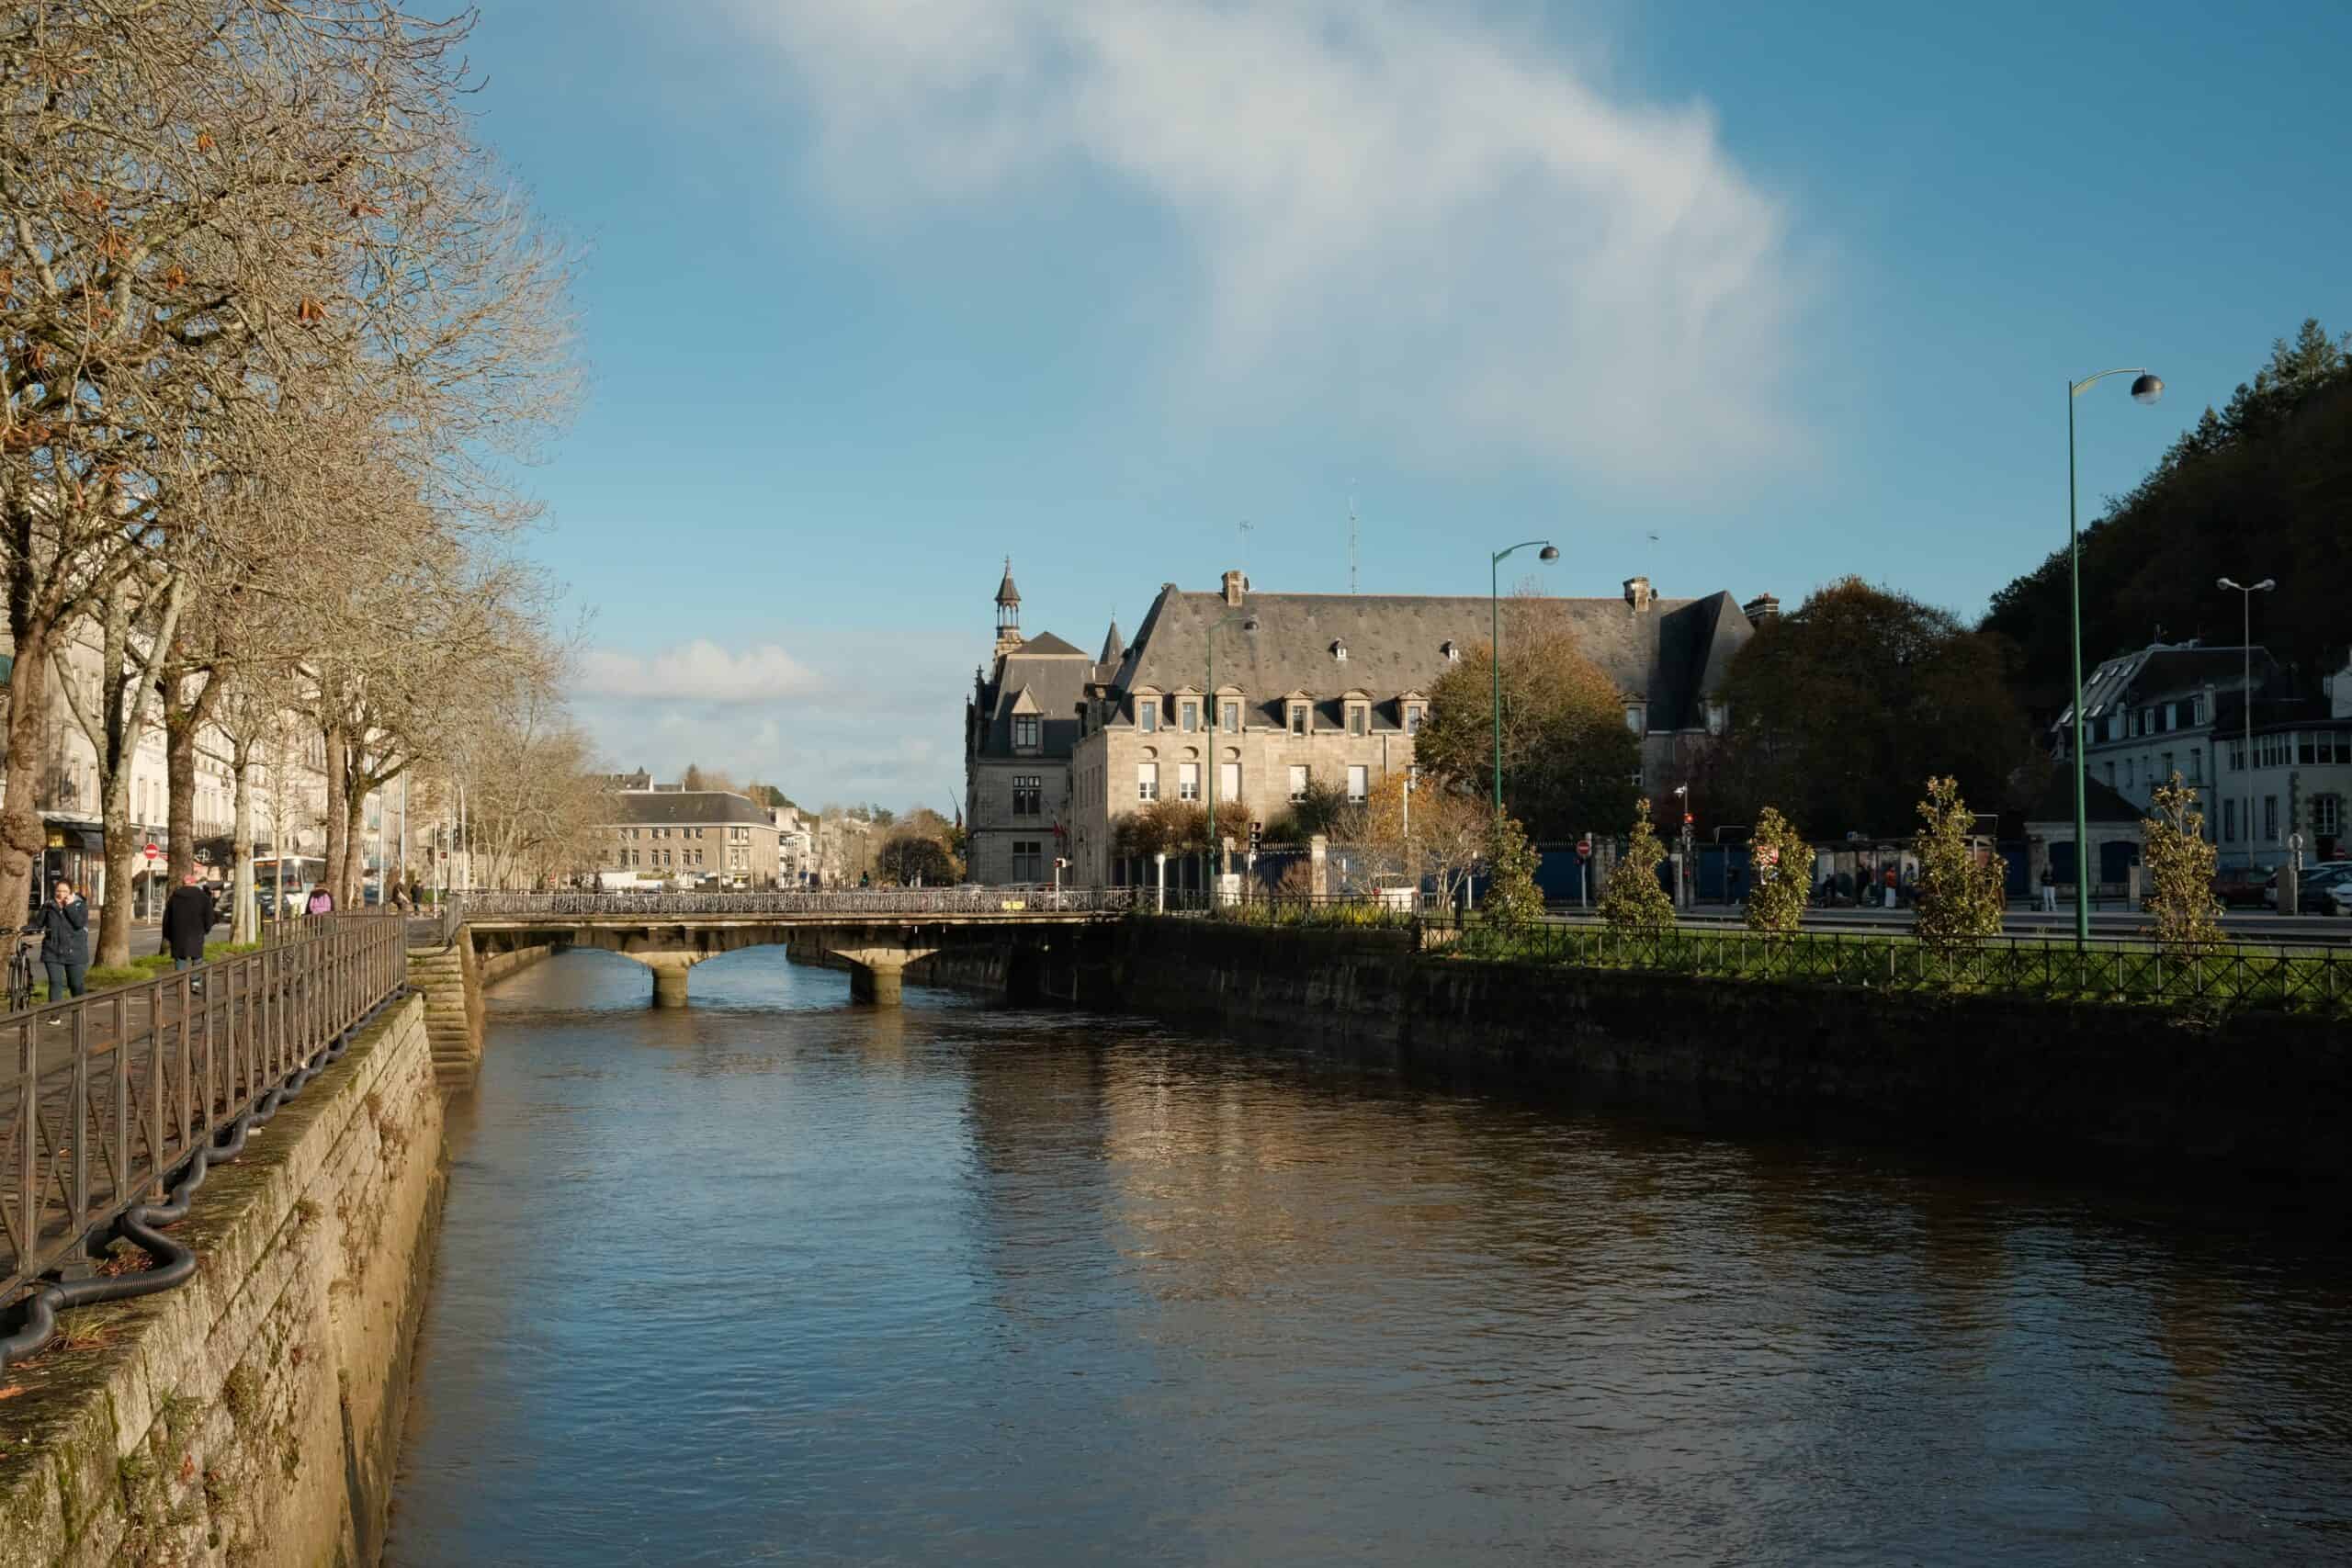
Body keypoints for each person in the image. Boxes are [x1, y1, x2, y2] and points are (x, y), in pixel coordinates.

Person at [33, 878, 89, 1007]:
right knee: (55, 982)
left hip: (75, 951)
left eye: (64, 891)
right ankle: (54, 1015)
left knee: (75, 984)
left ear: (71, 892)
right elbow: (38, 923)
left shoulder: (80, 905)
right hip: (52, 950)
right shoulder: (49, 905)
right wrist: (24, 928)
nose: (61, 894)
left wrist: (69, 906)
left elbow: (79, 923)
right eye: (58, 891)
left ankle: (80, 1011)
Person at [163, 869, 214, 972]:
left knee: (180, 958)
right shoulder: (203, 897)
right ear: (194, 883)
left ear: (183, 883)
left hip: (178, 934)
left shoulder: (174, 897)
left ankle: (181, 984)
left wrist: (168, 934)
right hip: (197, 932)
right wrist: (206, 929)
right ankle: (195, 983)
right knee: (197, 957)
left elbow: (167, 918)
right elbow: (209, 916)